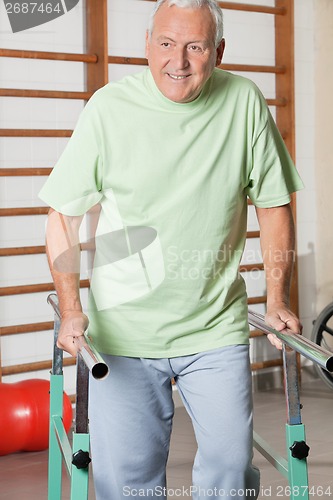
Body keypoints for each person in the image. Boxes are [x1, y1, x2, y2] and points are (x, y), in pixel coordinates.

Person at [40, 0, 304, 498]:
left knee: (230, 475)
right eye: (165, 43)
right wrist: (72, 310)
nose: (177, 61)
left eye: (195, 47)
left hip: (214, 327)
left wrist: (277, 297)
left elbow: (273, 206)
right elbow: (62, 217)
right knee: (128, 486)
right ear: (147, 45)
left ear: (218, 51)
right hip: (124, 333)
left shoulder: (244, 102)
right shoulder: (109, 109)